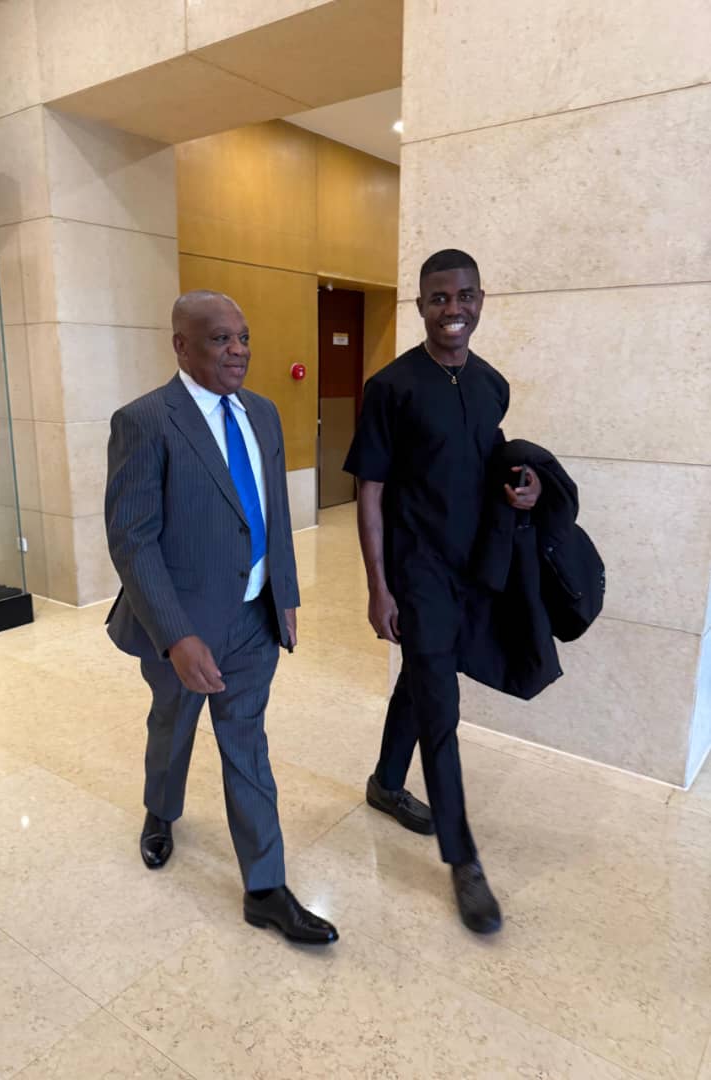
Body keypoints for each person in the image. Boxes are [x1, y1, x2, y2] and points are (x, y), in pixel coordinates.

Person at [104, 290, 338, 946]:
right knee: (171, 727)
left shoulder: (262, 413)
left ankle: (265, 889)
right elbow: (132, 540)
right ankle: (160, 811)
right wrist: (176, 636)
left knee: (247, 745)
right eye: (220, 339)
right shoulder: (145, 422)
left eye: (244, 337)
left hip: (254, 619)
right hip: (181, 627)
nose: (238, 351)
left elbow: (272, 512)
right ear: (181, 345)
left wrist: (284, 593)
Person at [343, 250, 541, 934]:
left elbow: (484, 465)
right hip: (417, 570)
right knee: (441, 709)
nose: (452, 309)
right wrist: (378, 587)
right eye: (438, 298)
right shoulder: (390, 387)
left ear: (481, 298)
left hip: (471, 570)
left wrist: (523, 491)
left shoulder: (492, 385)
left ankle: (385, 783)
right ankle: (464, 860)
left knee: (425, 679)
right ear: (421, 305)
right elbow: (370, 492)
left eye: (463, 296)